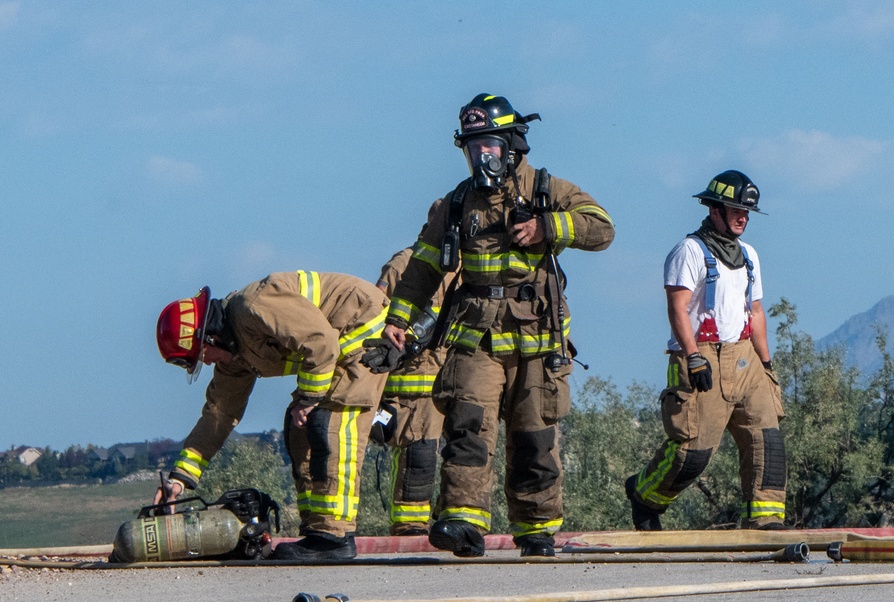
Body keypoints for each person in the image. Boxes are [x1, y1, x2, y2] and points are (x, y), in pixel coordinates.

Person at [376, 93, 614, 558]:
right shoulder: (457, 203)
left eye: (487, 145)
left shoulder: (550, 189)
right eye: (472, 147)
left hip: (538, 339)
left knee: (535, 434)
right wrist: (398, 321)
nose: (479, 155)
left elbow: (602, 229)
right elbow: (423, 268)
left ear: (511, 144)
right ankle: (462, 523)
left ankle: (537, 528)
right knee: (467, 427)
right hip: (476, 337)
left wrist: (550, 227)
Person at [154, 271, 389, 561]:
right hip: (334, 347)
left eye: (202, 354)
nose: (207, 361)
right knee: (299, 431)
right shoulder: (234, 355)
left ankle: (333, 537)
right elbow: (218, 416)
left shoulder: (255, 306)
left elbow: (322, 342)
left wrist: (309, 398)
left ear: (211, 335)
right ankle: (315, 530)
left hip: (361, 329)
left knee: (331, 424)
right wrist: (180, 479)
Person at [625, 170, 788, 531]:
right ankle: (645, 495)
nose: (743, 217)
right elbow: (677, 308)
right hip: (701, 358)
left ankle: (765, 522)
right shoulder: (689, 251)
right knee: (693, 453)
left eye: (747, 212)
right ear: (713, 209)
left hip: (746, 358)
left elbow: (756, 311)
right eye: (734, 210)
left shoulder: (749, 256)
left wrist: (767, 364)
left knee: (767, 441)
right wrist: (693, 355)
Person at [371, 248, 455, 536]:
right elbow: (376, 313)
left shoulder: (475, 264)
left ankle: (453, 518)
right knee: (417, 454)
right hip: (415, 381)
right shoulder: (405, 264)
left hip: (459, 375)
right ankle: (411, 528)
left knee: (465, 453)